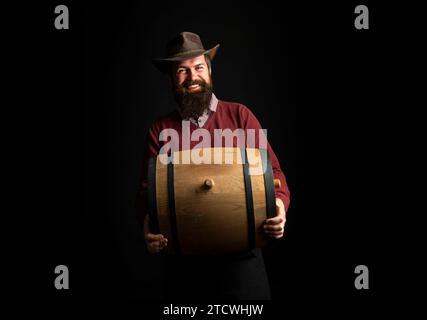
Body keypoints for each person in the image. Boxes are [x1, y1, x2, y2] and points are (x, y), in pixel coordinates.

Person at [136, 32, 290, 300]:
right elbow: (147, 192)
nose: (192, 76)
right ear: (171, 78)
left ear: (209, 70)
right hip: (184, 270)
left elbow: (274, 175)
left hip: (242, 266)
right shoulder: (160, 129)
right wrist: (148, 227)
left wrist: (278, 208)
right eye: (182, 71)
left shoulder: (240, 116)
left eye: (198, 67)